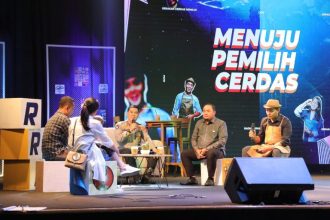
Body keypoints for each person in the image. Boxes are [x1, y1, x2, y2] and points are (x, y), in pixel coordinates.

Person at [68, 97, 140, 186]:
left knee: (100, 145)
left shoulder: (72, 120)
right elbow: (108, 142)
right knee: (108, 148)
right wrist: (117, 151)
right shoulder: (95, 123)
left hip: (73, 153)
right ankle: (122, 167)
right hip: (87, 154)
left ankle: (123, 167)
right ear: (95, 111)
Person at [180, 103, 228, 186]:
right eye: (204, 111)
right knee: (184, 154)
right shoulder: (199, 123)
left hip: (217, 151)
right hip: (200, 150)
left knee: (211, 152)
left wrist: (206, 149)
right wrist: (196, 150)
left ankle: (210, 178)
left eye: (208, 111)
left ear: (214, 112)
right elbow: (193, 138)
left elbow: (222, 140)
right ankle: (192, 178)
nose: (205, 113)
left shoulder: (221, 123)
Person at [115, 105, 158, 184]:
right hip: (123, 148)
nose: (133, 114)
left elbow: (147, 139)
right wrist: (129, 131)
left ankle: (146, 176)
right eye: (131, 112)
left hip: (136, 149)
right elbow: (119, 140)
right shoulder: (120, 125)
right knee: (127, 151)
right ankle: (135, 176)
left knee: (153, 152)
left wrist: (154, 148)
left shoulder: (140, 126)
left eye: (135, 113)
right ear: (128, 113)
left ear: (138, 115)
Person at [42, 96, 75, 161]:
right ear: (67, 108)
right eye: (72, 109)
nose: (72, 112)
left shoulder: (53, 117)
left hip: (46, 154)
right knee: (80, 156)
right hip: (57, 153)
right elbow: (73, 138)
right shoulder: (64, 119)